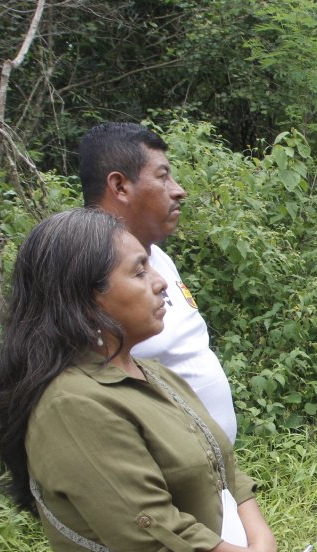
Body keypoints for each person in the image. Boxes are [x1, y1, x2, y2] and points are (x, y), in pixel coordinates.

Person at [0, 209, 302, 552]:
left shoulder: (153, 374)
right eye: (139, 271)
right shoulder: (72, 405)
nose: (161, 283)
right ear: (85, 298)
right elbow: (154, 535)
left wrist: (261, 546)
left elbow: (225, 467)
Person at [79, 122, 238, 443]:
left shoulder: (156, 256)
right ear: (120, 186)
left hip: (210, 472)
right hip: (156, 475)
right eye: (163, 176)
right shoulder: (85, 270)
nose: (178, 190)